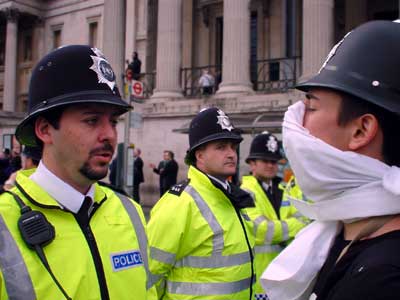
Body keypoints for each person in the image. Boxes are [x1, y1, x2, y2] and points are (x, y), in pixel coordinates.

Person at [0, 45, 155, 299]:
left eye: (113, 121)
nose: (109, 135)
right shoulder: (4, 224)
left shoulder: (131, 212)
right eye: (92, 120)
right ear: (45, 130)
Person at [262, 20, 400, 300]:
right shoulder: (344, 233)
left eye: (311, 107)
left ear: (361, 130)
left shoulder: (382, 280)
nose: (298, 120)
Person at [148, 107, 256, 299]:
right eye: (221, 147)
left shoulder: (232, 196)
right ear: (199, 156)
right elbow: (149, 277)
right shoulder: (179, 203)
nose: (231, 153)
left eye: (233, 146)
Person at [241, 132, 309, 299]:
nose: (271, 166)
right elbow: (261, 230)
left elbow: (307, 218)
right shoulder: (244, 193)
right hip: (261, 278)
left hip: (287, 273)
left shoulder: (285, 188)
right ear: (252, 163)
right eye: (265, 161)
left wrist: (283, 228)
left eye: (274, 161)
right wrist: (296, 224)